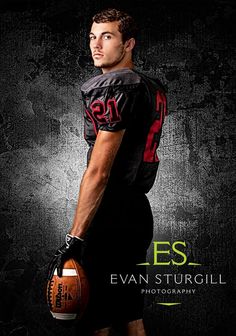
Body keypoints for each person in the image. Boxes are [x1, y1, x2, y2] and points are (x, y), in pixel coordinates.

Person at [48, 8, 167, 336]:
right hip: (137, 213)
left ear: (128, 43)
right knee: (130, 315)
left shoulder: (116, 85)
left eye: (107, 36)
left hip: (111, 214)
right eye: (92, 36)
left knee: (95, 320)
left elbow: (99, 171)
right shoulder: (149, 86)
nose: (96, 45)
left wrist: (74, 237)